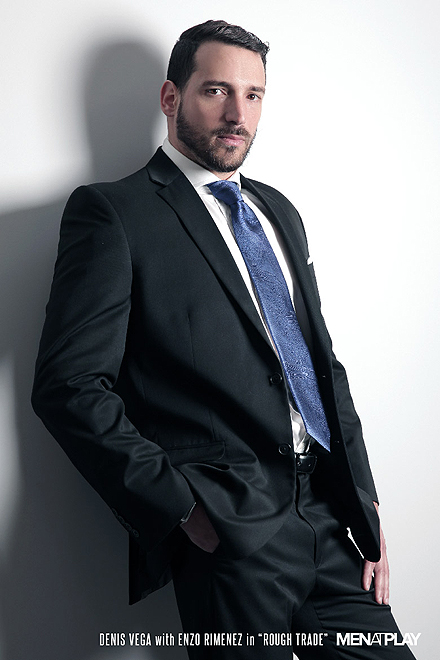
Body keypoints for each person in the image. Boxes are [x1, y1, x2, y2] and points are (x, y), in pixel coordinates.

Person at [32, 19, 416, 660]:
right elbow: (68, 386)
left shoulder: (278, 211)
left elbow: (319, 364)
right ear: (171, 97)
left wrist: (365, 502)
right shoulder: (115, 213)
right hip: (229, 528)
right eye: (217, 91)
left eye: (253, 95)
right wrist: (181, 508)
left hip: (328, 518)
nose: (238, 114)